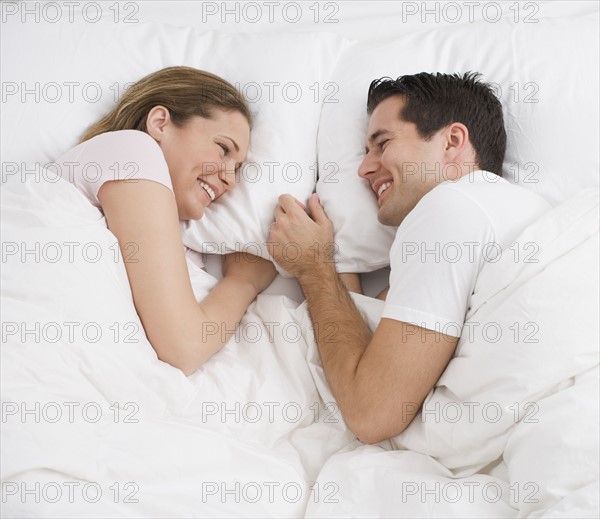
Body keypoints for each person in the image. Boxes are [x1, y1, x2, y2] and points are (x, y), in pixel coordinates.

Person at [267, 72, 551, 444]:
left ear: (452, 141)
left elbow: (371, 413)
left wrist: (313, 266)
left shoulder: (450, 208)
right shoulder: (511, 210)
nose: (364, 168)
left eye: (382, 144)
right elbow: (375, 342)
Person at [55, 66, 277, 376]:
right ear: (161, 124)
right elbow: (183, 347)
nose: (230, 180)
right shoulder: (131, 149)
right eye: (223, 149)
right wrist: (244, 280)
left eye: (238, 169)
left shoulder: (185, 244)